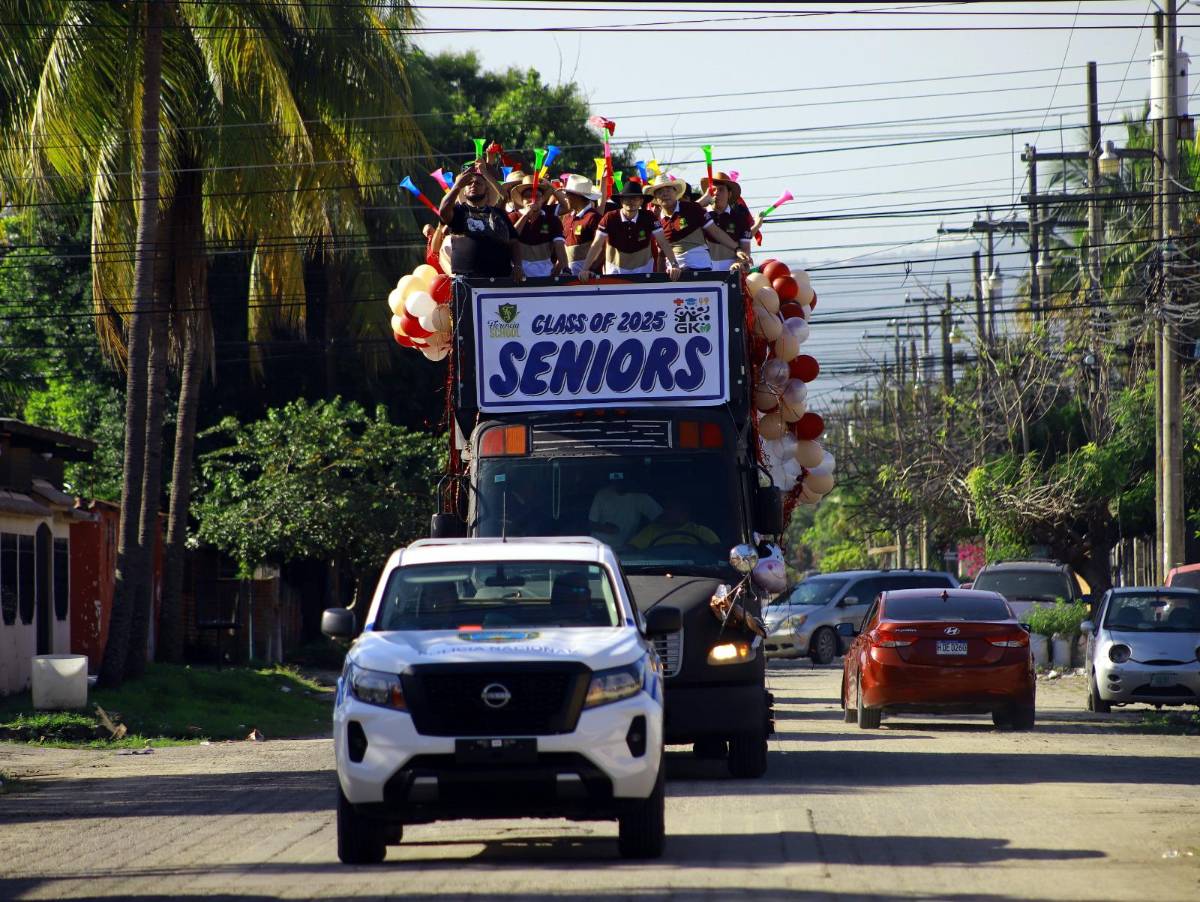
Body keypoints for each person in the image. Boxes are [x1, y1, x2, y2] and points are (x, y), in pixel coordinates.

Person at [645, 174, 749, 274]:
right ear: (656, 198)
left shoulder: (692, 208)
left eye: (668, 190)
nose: (665, 194)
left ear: (675, 192)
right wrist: (660, 280)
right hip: (674, 274)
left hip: (700, 269)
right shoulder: (657, 221)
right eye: (660, 192)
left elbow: (716, 231)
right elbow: (662, 255)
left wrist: (737, 249)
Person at [578, 181, 682, 280]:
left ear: (641, 201)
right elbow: (597, 244)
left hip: (644, 272)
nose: (631, 202)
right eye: (627, 198)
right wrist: (585, 269)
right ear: (621, 201)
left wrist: (674, 264)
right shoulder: (609, 217)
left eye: (635, 198)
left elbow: (663, 242)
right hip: (615, 272)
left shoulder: (649, 217)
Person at [437, 162, 522, 280]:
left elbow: (514, 242)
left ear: (486, 190)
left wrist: (518, 266)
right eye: (469, 183)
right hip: (467, 282)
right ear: (464, 190)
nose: (473, 185)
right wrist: (457, 186)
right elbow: (443, 210)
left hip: (501, 279)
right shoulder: (458, 212)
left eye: (478, 183)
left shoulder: (499, 214)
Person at [506, 174, 569, 278]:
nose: (532, 199)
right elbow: (510, 238)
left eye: (537, 196)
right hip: (518, 277)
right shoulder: (513, 217)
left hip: (546, 277)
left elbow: (559, 246)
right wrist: (525, 215)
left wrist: (564, 268)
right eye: (527, 196)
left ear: (543, 199)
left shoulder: (551, 219)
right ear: (522, 199)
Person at [698, 171, 754, 273]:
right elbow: (684, 214)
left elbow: (745, 249)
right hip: (704, 270)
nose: (716, 193)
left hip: (731, 271)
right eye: (713, 189)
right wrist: (701, 202)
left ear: (729, 194)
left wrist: (738, 263)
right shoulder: (699, 215)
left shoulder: (740, 218)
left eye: (721, 190)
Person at [589, 477, 662, 548]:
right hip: (600, 546)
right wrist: (604, 528)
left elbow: (661, 519)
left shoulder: (641, 497)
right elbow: (591, 524)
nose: (619, 482)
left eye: (622, 478)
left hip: (628, 549)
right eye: (616, 478)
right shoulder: (602, 494)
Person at [628, 497, 720, 550]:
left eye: (678, 510)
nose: (669, 513)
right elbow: (633, 549)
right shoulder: (652, 530)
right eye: (668, 509)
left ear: (686, 513)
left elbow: (716, 551)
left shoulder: (700, 531)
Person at [558, 174, 604, 277]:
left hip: (588, 280)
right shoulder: (567, 218)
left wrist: (590, 270)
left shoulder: (594, 218)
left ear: (577, 197)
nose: (565, 198)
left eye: (567, 195)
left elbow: (602, 248)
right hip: (568, 277)